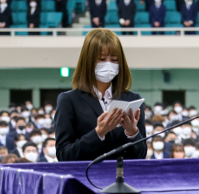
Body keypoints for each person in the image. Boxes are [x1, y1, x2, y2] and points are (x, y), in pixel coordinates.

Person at [55, 29, 147, 161]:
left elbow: (141, 155)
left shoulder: (133, 99)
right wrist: (98, 133)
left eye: (114, 59)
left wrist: (132, 132)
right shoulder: (69, 100)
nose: (108, 64)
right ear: (88, 61)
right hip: (86, 179)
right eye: (102, 59)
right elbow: (64, 155)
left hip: (124, 178)